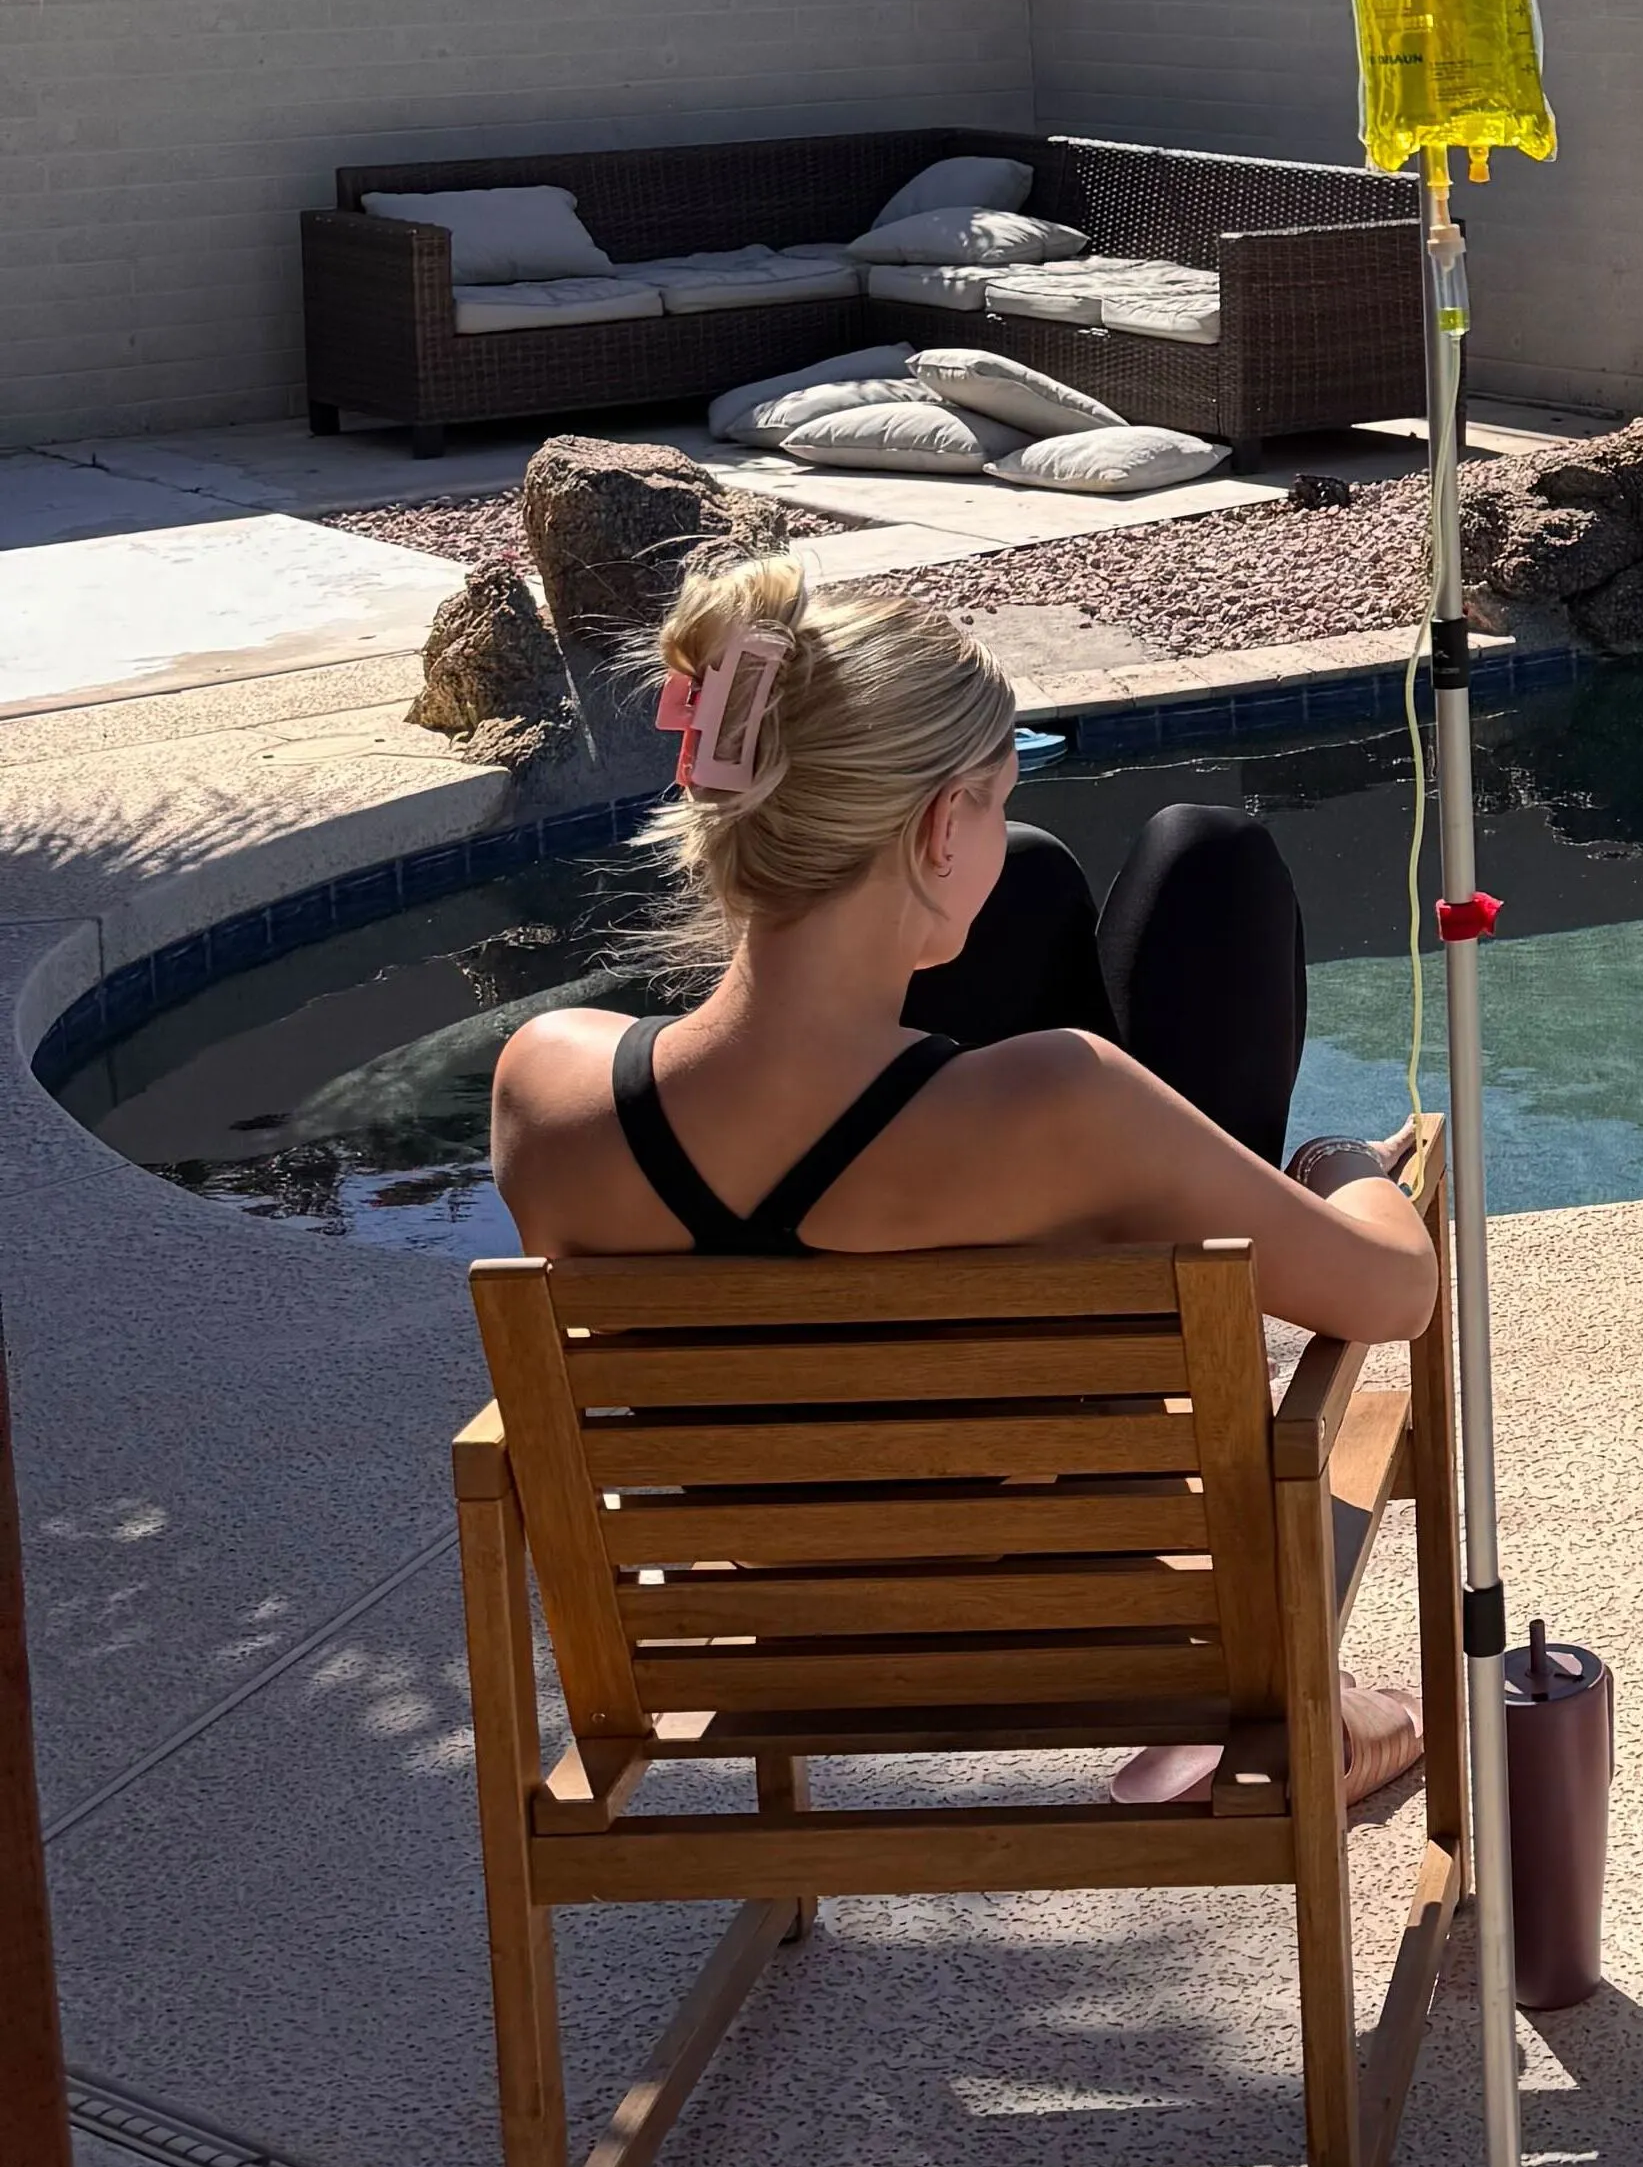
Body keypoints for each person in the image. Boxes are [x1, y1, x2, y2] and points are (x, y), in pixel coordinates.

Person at [488, 554, 1441, 1804]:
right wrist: (1342, 1169)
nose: (996, 829)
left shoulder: (543, 1086)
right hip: (1067, 1608)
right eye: (995, 800)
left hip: (767, 1627)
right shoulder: (1060, 1107)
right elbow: (1390, 1293)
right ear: (940, 827)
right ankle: (1291, 1717)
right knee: (1202, 868)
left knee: (1042, 880)